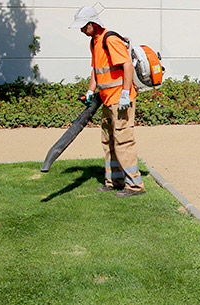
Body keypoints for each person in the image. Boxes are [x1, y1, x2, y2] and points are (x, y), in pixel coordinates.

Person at [68, 6, 145, 197]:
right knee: (108, 140)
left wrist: (126, 94)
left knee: (123, 140)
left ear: (93, 24)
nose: (81, 30)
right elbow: (96, 70)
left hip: (120, 99)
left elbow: (126, 65)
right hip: (106, 100)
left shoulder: (110, 39)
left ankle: (135, 186)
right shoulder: (95, 42)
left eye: (83, 26)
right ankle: (114, 181)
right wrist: (89, 91)